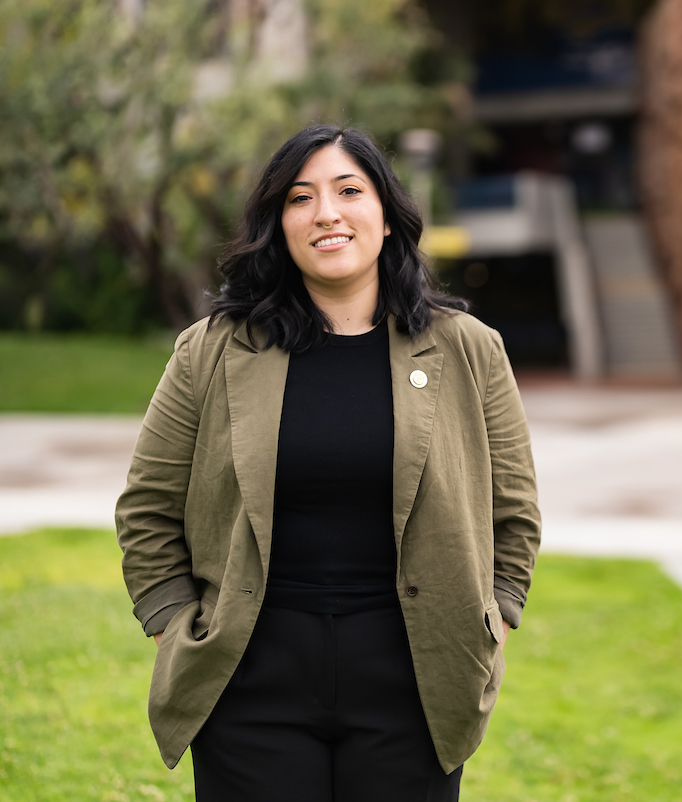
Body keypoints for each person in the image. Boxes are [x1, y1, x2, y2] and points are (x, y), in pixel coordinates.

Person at [115, 125, 541, 801]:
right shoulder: (212, 351)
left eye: (349, 190)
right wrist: (175, 626)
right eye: (300, 197)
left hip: (417, 680)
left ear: (387, 214)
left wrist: (496, 620)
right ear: (277, 223)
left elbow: (513, 514)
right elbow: (147, 508)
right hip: (249, 678)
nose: (327, 213)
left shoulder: (468, 349)